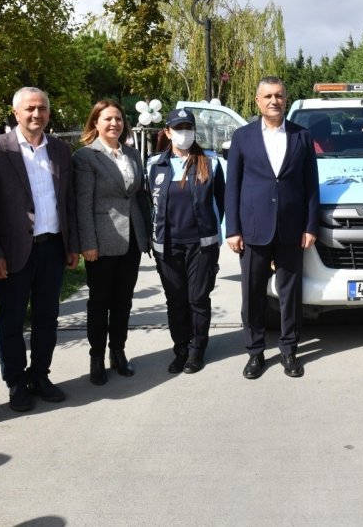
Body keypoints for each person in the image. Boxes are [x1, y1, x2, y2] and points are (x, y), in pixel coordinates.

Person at [0, 87, 79, 412]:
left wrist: (72, 244)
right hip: (12, 251)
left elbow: (68, 201)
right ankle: (16, 382)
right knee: (11, 320)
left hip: (52, 248)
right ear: (16, 112)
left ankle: (40, 375)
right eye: (30, 108)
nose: (37, 114)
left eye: (42, 108)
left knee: (47, 317)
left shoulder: (60, 149)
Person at [226, 76, 319, 379]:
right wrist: (233, 229)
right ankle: (255, 352)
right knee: (253, 293)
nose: (274, 101)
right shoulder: (243, 137)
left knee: (290, 293)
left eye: (278, 95)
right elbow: (233, 185)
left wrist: (310, 226)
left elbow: (311, 186)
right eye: (267, 96)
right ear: (258, 101)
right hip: (253, 228)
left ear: (285, 99)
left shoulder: (302, 136)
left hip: (291, 229)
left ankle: (289, 350)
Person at [73, 100, 151, 385]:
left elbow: (139, 196)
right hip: (102, 241)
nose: (114, 123)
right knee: (100, 302)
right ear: (95, 122)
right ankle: (96, 357)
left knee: (123, 301)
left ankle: (118, 351)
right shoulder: (85, 157)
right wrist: (88, 243)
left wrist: (146, 234)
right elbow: (83, 203)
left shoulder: (132, 153)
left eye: (118, 118)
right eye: (107, 119)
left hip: (132, 239)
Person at [148, 108, 225, 374]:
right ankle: (181, 348)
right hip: (167, 245)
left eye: (188, 127)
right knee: (176, 300)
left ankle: (197, 350)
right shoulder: (154, 164)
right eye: (178, 128)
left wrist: (214, 232)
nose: (184, 133)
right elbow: (149, 202)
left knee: (198, 299)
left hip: (201, 244)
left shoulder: (211, 162)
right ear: (168, 132)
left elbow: (221, 201)